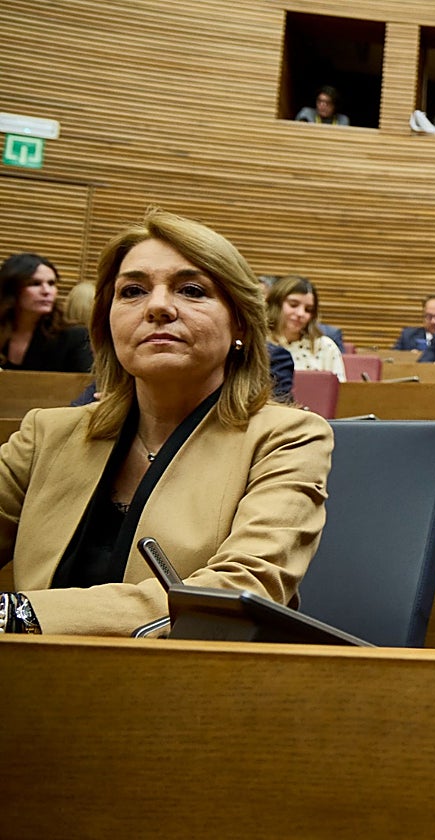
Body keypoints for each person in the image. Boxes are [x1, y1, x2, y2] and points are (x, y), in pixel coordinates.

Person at [0, 209, 333, 636]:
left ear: (241, 326)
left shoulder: (288, 438)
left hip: (188, 688)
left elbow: (237, 592)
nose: (157, 306)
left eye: (192, 290)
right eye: (133, 291)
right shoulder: (45, 433)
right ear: (107, 323)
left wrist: (19, 614)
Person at [0, 253, 93, 372]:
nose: (46, 291)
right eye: (35, 284)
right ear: (12, 289)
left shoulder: (74, 337)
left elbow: (85, 386)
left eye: (51, 283)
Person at [266, 275, 346, 382]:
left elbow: (339, 392)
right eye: (293, 305)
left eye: (308, 309)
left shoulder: (326, 346)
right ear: (276, 304)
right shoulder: (258, 343)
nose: (301, 313)